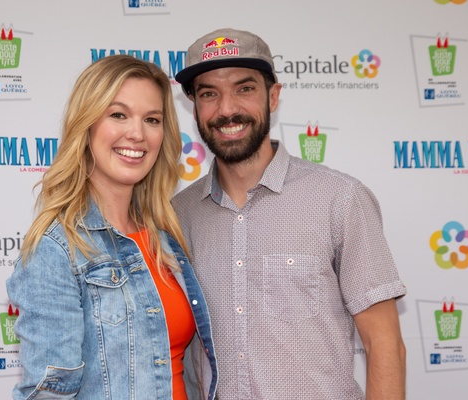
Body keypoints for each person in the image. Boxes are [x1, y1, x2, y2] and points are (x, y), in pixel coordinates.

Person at [172, 28, 407, 399]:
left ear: (274, 96)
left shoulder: (340, 199)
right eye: (209, 94)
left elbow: (384, 346)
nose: (227, 109)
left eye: (244, 88)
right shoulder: (177, 217)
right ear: (194, 105)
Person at [7, 55, 217, 400]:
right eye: (118, 114)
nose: (136, 133)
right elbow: (48, 394)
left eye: (152, 119)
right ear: (86, 124)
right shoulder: (57, 250)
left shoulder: (166, 237)